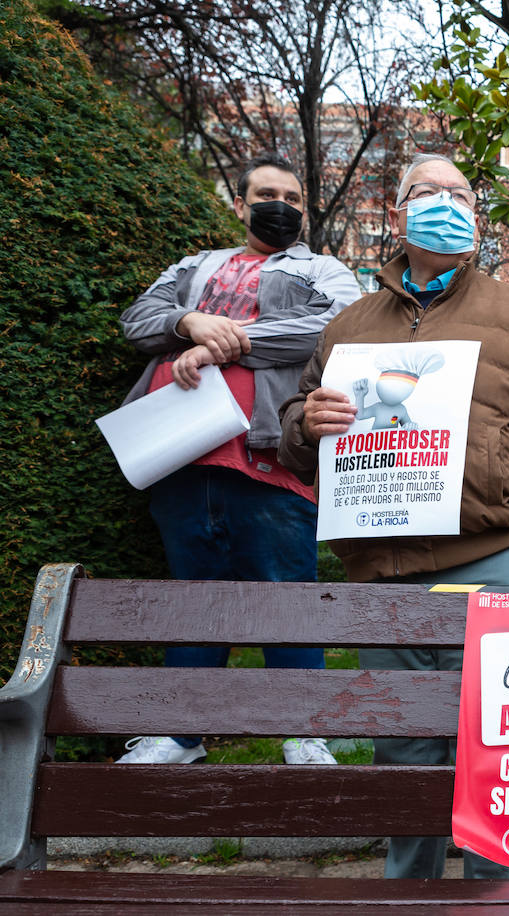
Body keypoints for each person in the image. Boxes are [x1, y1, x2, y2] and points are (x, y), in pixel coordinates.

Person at [278, 152, 509, 879]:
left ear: (477, 218)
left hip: (491, 567)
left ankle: (501, 898)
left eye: (460, 193)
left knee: (496, 752)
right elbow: (296, 443)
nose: (446, 203)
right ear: (397, 216)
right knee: (403, 753)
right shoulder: (349, 325)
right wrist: (306, 423)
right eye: (427, 192)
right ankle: (406, 894)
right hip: (381, 575)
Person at [117, 153, 362, 766]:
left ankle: (305, 733)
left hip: (270, 454)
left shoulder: (325, 271)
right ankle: (181, 736)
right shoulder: (194, 267)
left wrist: (230, 341)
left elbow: (336, 329)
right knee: (194, 598)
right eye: (266, 194)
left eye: (293, 198)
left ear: (305, 210)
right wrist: (190, 320)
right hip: (179, 455)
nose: (280, 205)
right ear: (239, 204)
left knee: (286, 596)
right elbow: (137, 320)